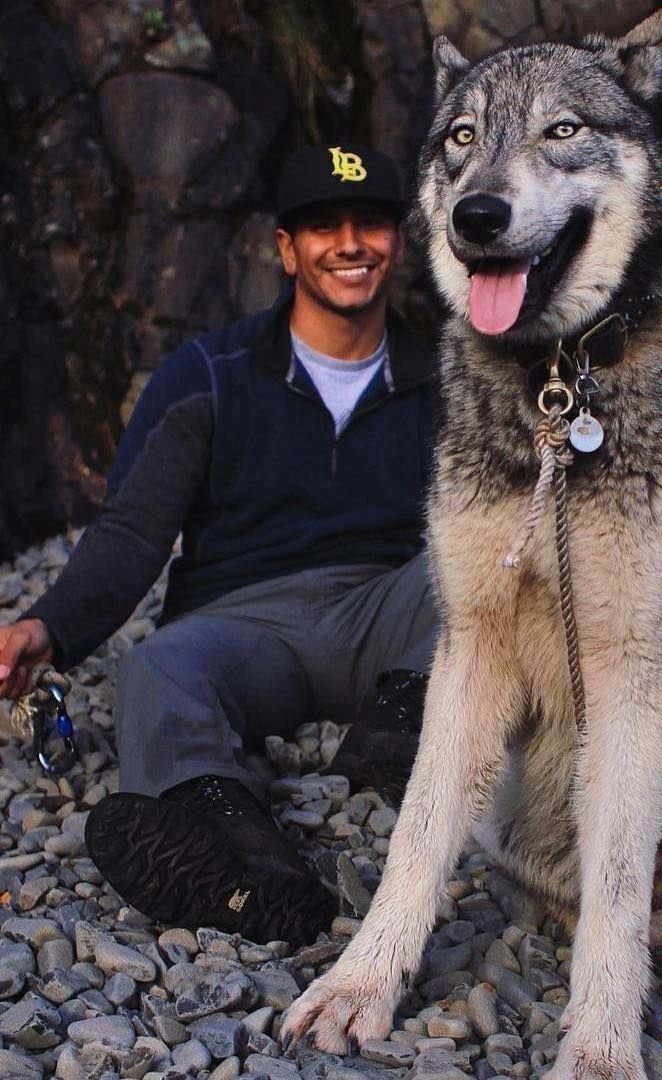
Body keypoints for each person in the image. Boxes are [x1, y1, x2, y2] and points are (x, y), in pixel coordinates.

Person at [0, 142, 438, 945]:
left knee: (476, 569)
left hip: (391, 609)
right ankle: (236, 852)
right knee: (157, 667)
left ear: (398, 243)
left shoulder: (449, 375)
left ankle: (407, 730)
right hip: (246, 621)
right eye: (322, 226)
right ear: (285, 249)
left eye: (370, 223)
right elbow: (133, 528)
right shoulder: (208, 372)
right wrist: (48, 628)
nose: (349, 243)